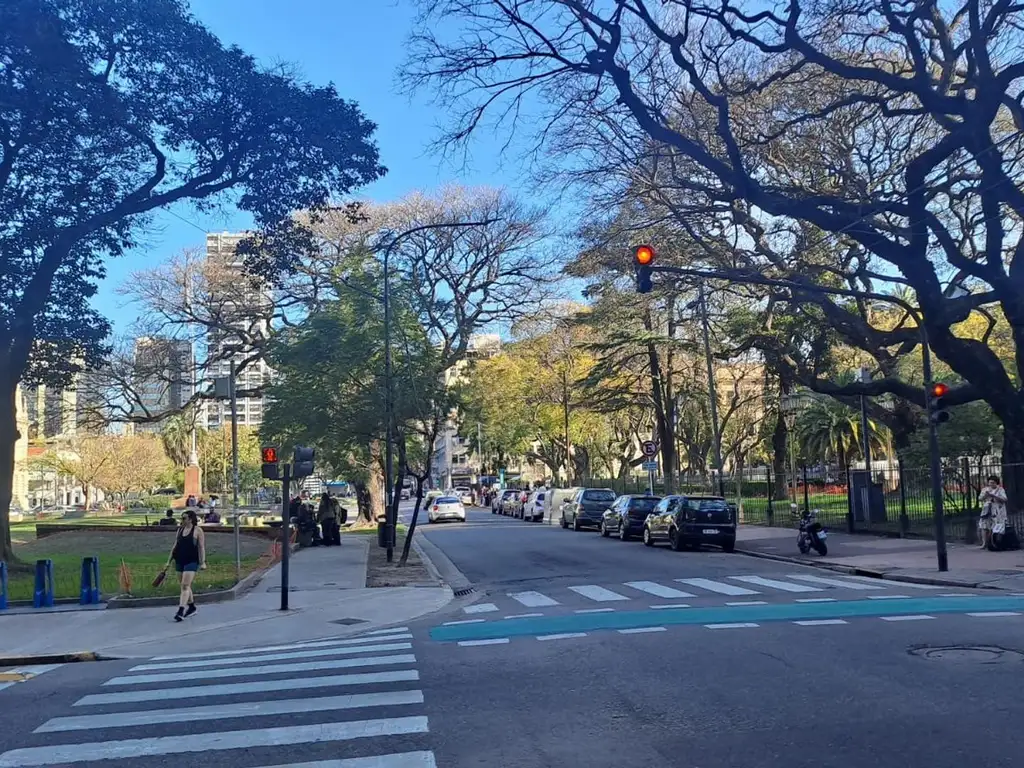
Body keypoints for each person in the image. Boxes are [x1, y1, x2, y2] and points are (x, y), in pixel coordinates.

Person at [164, 509, 206, 622]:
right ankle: (192, 607)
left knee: (185, 585)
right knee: (184, 586)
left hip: (191, 561)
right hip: (179, 560)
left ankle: (181, 611)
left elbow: (201, 547)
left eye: (184, 518)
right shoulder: (180, 530)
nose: (182, 520)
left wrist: (203, 562)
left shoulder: (197, 530)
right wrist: (168, 561)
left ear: (190, 519)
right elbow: (175, 546)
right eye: (181, 518)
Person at [979, 475, 1008, 551]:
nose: (991, 484)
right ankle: (984, 543)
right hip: (987, 510)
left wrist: (994, 496)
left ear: (996, 483)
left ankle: (993, 543)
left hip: (997, 510)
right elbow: (980, 498)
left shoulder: (1000, 490)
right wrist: (986, 495)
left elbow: (1005, 499)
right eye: (990, 482)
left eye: (993, 483)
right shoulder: (985, 490)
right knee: (984, 526)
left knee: (995, 526)